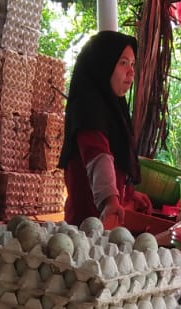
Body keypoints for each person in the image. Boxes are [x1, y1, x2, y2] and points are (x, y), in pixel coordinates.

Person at [58, 30, 151, 227]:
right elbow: (97, 155)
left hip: (106, 219)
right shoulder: (89, 107)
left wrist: (129, 194)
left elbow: (118, 161)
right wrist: (110, 200)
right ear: (104, 65)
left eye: (132, 64)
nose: (131, 72)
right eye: (123, 63)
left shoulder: (115, 109)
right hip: (86, 225)